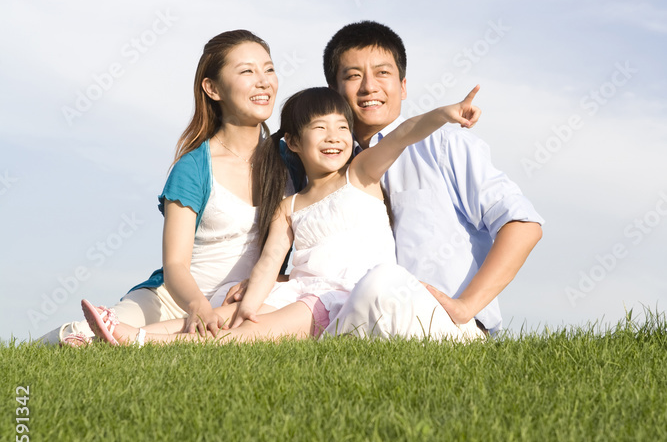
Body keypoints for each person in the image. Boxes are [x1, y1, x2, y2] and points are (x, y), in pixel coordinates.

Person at [80, 85, 486, 346]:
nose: (334, 138)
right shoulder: (288, 205)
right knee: (225, 312)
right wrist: (246, 305)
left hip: (340, 297)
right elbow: (268, 263)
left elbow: (403, 134)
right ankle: (128, 331)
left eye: (342, 128)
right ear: (292, 141)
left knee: (249, 336)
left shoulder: (360, 175)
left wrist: (444, 114)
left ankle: (139, 342)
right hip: (302, 292)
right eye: (320, 129)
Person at [45, 29, 298, 346]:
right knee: (91, 334)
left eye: (269, 69)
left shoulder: (292, 161)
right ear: (213, 88)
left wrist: (269, 282)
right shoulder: (193, 167)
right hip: (172, 300)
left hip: (246, 299)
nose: (264, 81)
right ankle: (47, 351)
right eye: (247, 71)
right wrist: (199, 308)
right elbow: (175, 264)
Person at [318, 20, 544, 339]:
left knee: (382, 281)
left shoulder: (442, 146)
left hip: (444, 327)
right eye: (353, 76)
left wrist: (466, 307)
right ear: (333, 91)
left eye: (382, 73)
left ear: (404, 85)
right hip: (360, 323)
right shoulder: (323, 167)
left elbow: (523, 225)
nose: (369, 87)